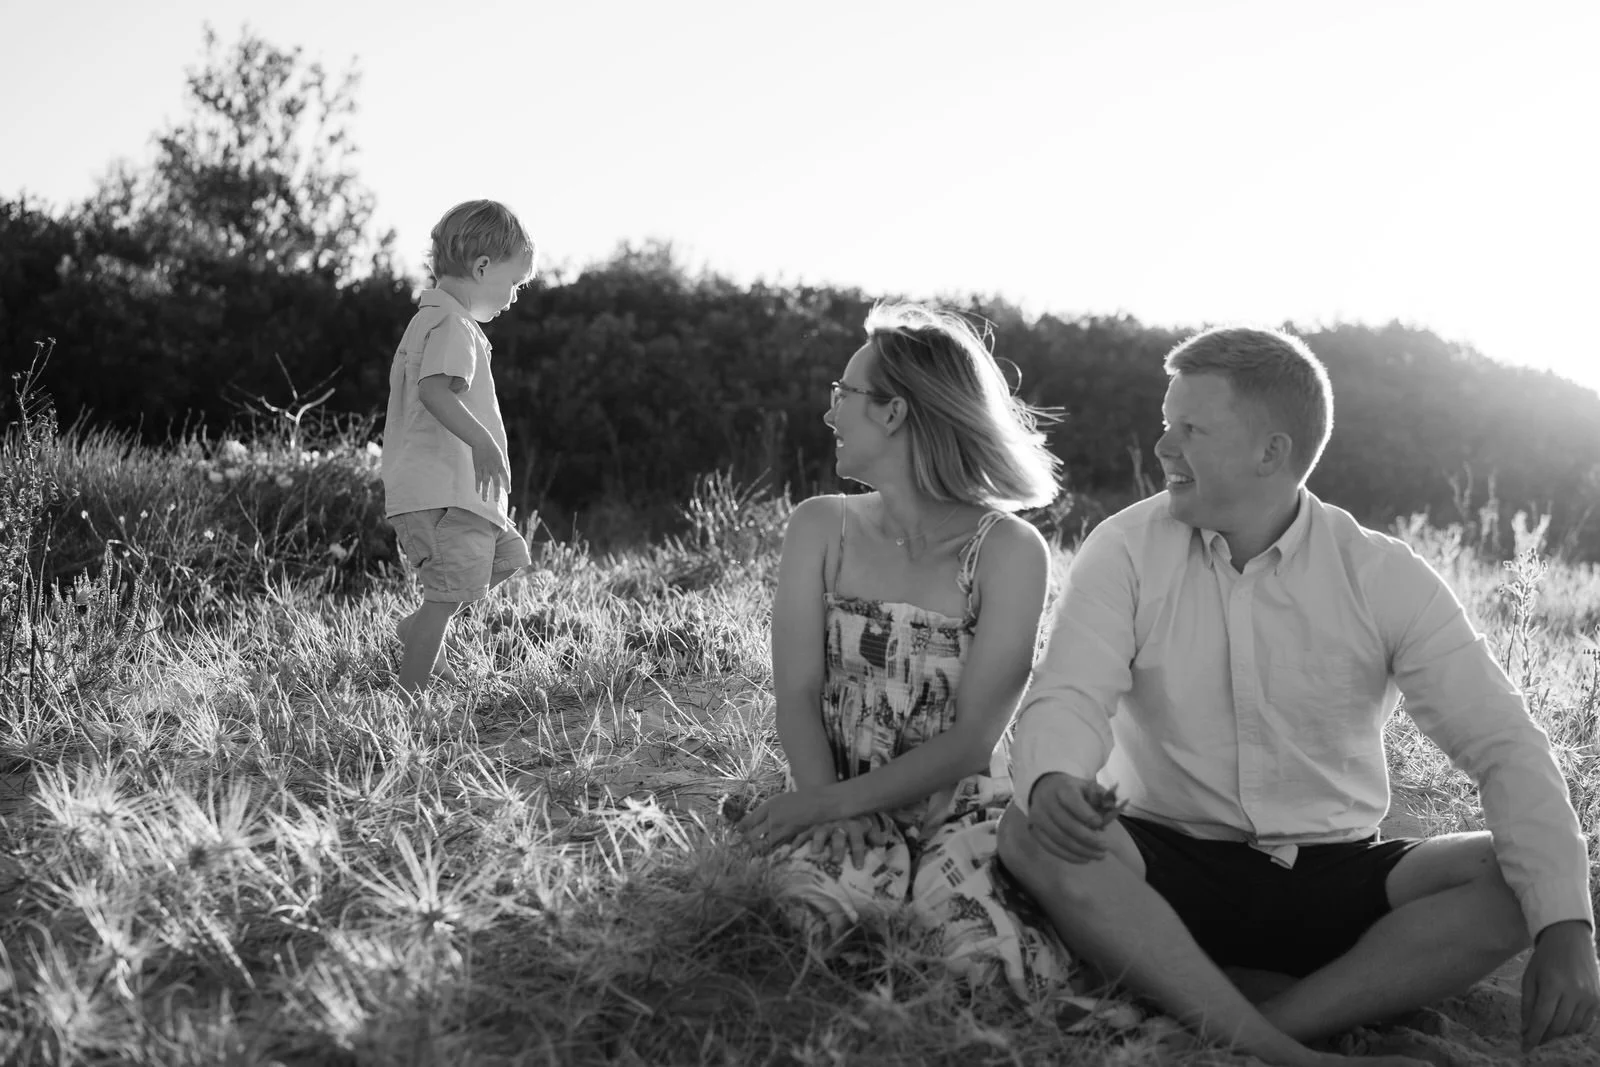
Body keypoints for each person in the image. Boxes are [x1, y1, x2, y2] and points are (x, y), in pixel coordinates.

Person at [996, 325, 1598, 1066]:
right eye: (1164, 424)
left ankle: (1254, 1016)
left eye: (1190, 428)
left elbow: (1503, 742)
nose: (1162, 447)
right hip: (1163, 867)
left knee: (1525, 880)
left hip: (1336, 878)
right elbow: (1068, 695)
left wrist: (1567, 924)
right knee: (1029, 827)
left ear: (1271, 452)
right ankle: (1287, 1053)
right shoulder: (1123, 547)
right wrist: (1056, 776)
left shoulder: (1383, 574)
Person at [736, 302, 1088, 1000]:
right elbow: (798, 693)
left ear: (895, 412)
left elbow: (971, 741)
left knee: (991, 971)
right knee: (791, 941)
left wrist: (838, 804)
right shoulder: (819, 526)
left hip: (959, 809)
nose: (831, 412)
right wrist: (827, 803)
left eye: (844, 395)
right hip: (828, 786)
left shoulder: (1010, 551)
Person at [380, 200, 536, 693]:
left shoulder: (436, 318)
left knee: (509, 557)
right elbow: (434, 390)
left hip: (460, 495)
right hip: (444, 494)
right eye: (514, 284)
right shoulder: (452, 325)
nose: (513, 299)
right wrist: (485, 442)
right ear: (482, 267)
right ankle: (409, 697)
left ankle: (417, 629)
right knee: (445, 600)